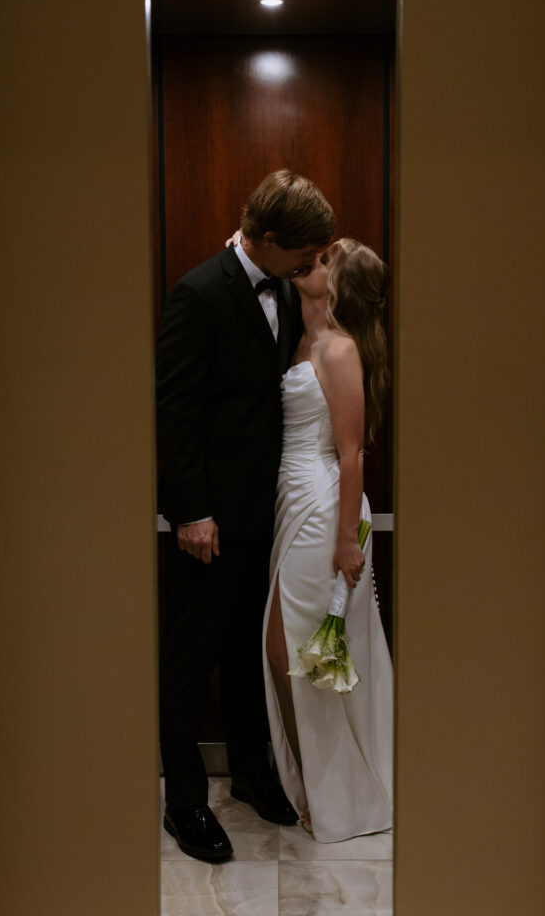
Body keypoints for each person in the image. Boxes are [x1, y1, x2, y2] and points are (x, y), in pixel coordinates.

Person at [156, 170, 336, 862]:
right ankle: (184, 803)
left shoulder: (286, 289)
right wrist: (192, 512)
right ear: (265, 237)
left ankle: (253, 774)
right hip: (209, 522)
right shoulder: (198, 293)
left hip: (269, 512)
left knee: (245, 652)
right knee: (190, 658)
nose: (310, 264)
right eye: (303, 253)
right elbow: (175, 411)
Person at [263, 237, 394, 843]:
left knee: (302, 653)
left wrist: (347, 540)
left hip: (324, 509)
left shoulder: (339, 350)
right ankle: (323, 787)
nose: (309, 263)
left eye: (321, 261)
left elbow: (351, 454)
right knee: (290, 649)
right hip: (294, 503)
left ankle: (340, 797)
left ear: (336, 285)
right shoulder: (303, 338)